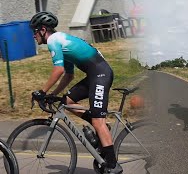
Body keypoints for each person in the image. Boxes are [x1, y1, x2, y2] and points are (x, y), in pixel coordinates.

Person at [29, 11, 122, 174]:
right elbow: (68, 75)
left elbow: (58, 70)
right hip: (95, 74)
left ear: (43, 30)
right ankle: (100, 126)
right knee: (67, 102)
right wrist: (53, 94)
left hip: (101, 74)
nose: (33, 36)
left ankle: (113, 165)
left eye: (34, 31)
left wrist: (42, 92)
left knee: (97, 121)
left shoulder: (53, 40)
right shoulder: (61, 40)